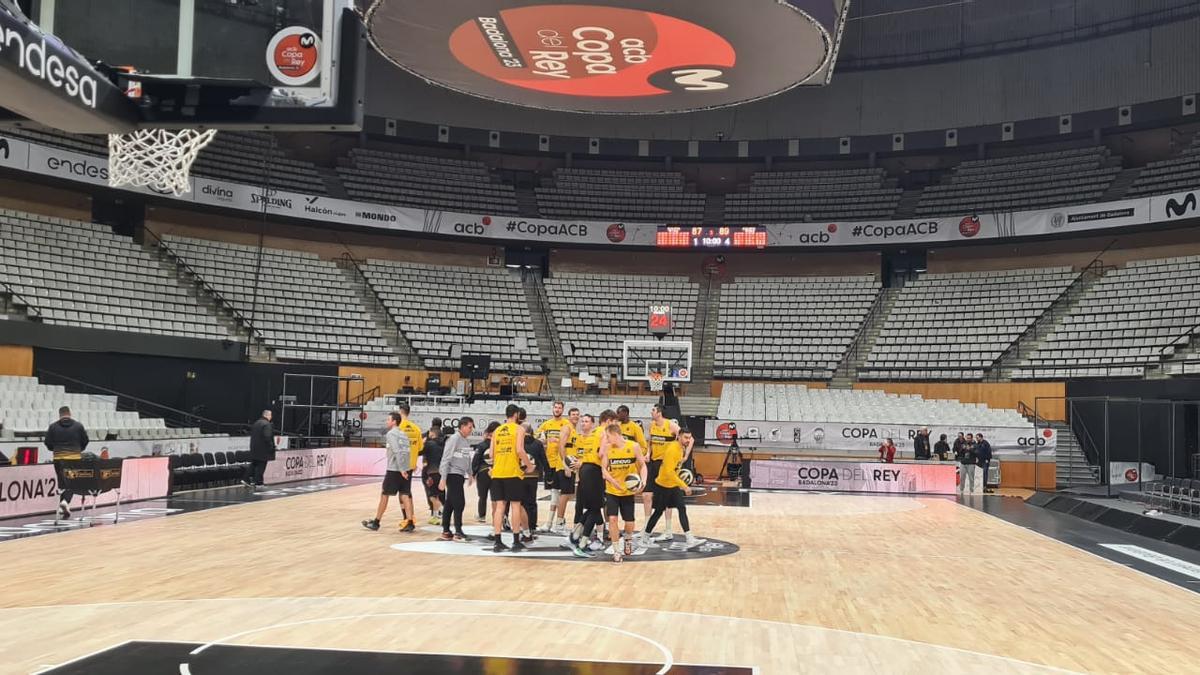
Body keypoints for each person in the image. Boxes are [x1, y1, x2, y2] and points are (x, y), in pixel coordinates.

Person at [644, 428, 704, 549]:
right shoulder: (672, 449)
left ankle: (689, 538)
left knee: (682, 508)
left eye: (689, 438)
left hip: (672, 485)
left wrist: (680, 479)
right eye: (686, 438)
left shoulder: (681, 449)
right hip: (663, 486)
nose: (688, 440)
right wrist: (684, 485)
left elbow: (676, 469)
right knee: (658, 512)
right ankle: (645, 538)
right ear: (679, 436)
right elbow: (669, 472)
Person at [601, 421, 647, 563]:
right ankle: (616, 551)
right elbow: (603, 471)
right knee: (613, 519)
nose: (607, 440)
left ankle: (628, 539)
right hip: (612, 490)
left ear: (615, 434)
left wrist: (643, 482)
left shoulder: (633, 446)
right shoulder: (608, 449)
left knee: (629, 522)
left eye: (608, 437)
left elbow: (643, 465)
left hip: (628, 491)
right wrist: (613, 482)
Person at [490, 404, 533, 553]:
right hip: (512, 472)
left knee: (500, 507)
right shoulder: (519, 429)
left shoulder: (497, 430)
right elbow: (520, 450)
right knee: (515, 505)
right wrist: (529, 465)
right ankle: (515, 541)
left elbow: (491, 454)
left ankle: (497, 541)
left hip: (497, 472)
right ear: (516, 415)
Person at [362, 412, 413, 531]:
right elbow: (407, 451)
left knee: (384, 495)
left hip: (394, 470)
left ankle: (376, 522)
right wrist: (405, 468)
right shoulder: (404, 434)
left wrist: (400, 469)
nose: (387, 421)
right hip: (406, 468)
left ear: (394, 421)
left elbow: (396, 451)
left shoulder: (391, 434)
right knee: (405, 495)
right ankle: (410, 522)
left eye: (388, 419)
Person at [566, 412, 604, 558]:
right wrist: (573, 466)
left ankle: (579, 531)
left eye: (586, 421)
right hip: (584, 477)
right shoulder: (578, 439)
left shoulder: (596, 437)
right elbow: (576, 458)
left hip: (592, 476)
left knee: (593, 508)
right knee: (590, 508)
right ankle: (582, 540)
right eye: (582, 421)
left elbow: (592, 457)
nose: (583, 423)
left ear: (593, 424)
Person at [44, 406, 89, 519]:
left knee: (62, 483)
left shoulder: (53, 427)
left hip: (59, 459)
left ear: (60, 415)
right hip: (74, 458)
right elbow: (85, 440)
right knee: (72, 483)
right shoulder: (78, 426)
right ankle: (65, 502)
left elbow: (47, 442)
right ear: (70, 413)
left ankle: (62, 507)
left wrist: (55, 449)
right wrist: (79, 449)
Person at [646, 405, 680, 542]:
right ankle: (647, 527)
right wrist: (648, 453)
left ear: (659, 413)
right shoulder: (651, 425)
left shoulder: (671, 425)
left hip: (665, 464)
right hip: (654, 462)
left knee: (666, 497)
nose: (651, 412)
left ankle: (668, 529)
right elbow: (650, 442)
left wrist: (680, 455)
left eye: (653, 410)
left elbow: (687, 438)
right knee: (646, 495)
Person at [535, 401, 571, 531]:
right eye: (555, 407)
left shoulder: (566, 424)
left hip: (561, 462)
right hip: (550, 462)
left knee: (562, 493)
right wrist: (543, 440)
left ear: (563, 410)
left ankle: (557, 521)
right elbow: (537, 437)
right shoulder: (546, 424)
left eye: (559, 407)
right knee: (554, 492)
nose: (557, 409)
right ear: (552, 409)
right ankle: (551, 522)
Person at [438, 417, 475, 540]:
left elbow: (467, 458)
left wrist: (470, 473)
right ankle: (458, 532)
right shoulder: (454, 439)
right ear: (463, 426)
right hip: (452, 474)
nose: (471, 430)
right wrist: (443, 478)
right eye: (470, 427)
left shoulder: (464, 441)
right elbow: (446, 458)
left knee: (450, 503)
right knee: (459, 503)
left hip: (459, 475)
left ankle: (446, 530)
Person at [551, 407, 581, 533]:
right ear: (569, 416)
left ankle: (557, 521)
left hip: (570, 466)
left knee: (566, 494)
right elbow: (561, 446)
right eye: (573, 414)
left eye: (577, 414)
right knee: (565, 494)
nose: (575, 416)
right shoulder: (566, 427)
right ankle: (559, 522)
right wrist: (565, 465)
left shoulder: (574, 430)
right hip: (564, 466)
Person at [396, 403, 424, 531]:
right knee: (407, 492)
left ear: (400, 412)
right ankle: (409, 518)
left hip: (400, 465)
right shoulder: (416, 428)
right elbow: (420, 448)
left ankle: (408, 520)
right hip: (411, 464)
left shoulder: (398, 428)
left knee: (403, 494)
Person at [520, 420, 548, 538]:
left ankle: (522, 527)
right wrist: (549, 475)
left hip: (519, 475)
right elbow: (544, 460)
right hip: (533, 476)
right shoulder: (537, 443)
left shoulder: (518, 442)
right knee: (531, 502)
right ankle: (532, 527)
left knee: (520, 503)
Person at [471, 421, 499, 522]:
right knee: (496, 497)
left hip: (483, 472)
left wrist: (473, 472)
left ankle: (482, 516)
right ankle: (497, 517)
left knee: (482, 496)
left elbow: (476, 459)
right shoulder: (500, 444)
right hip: (496, 472)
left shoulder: (482, 445)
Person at [241, 409, 275, 489]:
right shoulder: (267, 424)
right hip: (263, 449)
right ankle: (258, 483)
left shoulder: (256, 423)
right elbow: (267, 437)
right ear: (267, 415)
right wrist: (271, 447)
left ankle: (245, 479)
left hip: (254, 448)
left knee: (254, 464)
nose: (271, 417)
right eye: (270, 415)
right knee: (261, 466)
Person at [421, 425, 446, 525]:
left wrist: (422, 442)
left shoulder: (429, 444)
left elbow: (419, 452)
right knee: (437, 495)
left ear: (433, 434)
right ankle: (435, 516)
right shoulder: (444, 444)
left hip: (432, 472)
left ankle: (444, 511)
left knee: (432, 496)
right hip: (442, 473)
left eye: (430, 433)